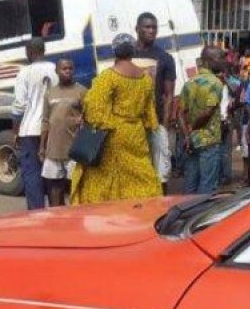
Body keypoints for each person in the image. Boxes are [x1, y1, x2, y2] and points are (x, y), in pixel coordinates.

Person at [71, 34, 162, 204]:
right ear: (133, 50)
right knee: (139, 171)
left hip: (114, 134)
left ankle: (111, 210)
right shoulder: (145, 78)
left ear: (114, 51)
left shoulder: (108, 77)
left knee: (108, 173)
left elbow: (94, 108)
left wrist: (101, 123)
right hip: (136, 133)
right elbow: (150, 111)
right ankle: (144, 207)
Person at [132, 12, 176, 191]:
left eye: (154, 27)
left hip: (156, 122)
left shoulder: (165, 58)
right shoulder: (128, 56)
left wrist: (163, 126)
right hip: (132, 123)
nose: (151, 31)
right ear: (137, 29)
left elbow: (169, 95)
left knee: (161, 173)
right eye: (147, 27)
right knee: (135, 172)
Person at [12, 38, 57, 210]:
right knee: (54, 173)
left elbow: (19, 105)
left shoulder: (25, 73)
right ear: (43, 50)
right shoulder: (55, 68)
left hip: (30, 130)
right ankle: (57, 212)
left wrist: (15, 131)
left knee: (32, 175)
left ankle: (37, 214)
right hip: (52, 129)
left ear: (29, 52)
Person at [39, 59, 87, 207]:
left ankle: (76, 217)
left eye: (70, 68)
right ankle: (56, 217)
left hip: (73, 150)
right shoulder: (50, 93)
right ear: (57, 71)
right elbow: (45, 121)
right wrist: (42, 147)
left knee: (75, 186)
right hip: (53, 149)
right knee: (54, 187)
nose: (67, 71)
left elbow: (89, 117)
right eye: (64, 68)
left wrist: (80, 121)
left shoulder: (82, 91)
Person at [179, 46, 226, 194]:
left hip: (191, 142)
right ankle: (202, 217)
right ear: (208, 61)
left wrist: (187, 135)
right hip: (209, 140)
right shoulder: (215, 83)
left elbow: (180, 113)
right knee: (207, 186)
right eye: (220, 58)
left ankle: (187, 216)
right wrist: (193, 128)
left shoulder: (190, 82)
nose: (223, 61)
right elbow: (208, 112)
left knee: (190, 185)